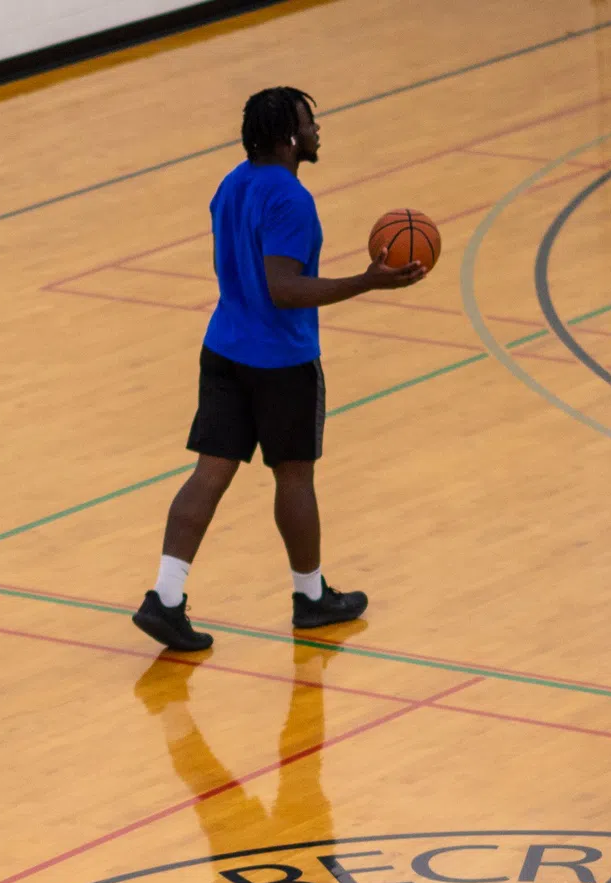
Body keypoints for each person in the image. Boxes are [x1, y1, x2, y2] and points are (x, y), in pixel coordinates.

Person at [130, 86, 425, 656]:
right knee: (294, 477)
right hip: (281, 363)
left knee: (209, 474)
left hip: (224, 348)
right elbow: (284, 288)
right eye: (309, 122)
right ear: (290, 139)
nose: (317, 130)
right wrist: (367, 281)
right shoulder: (289, 199)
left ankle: (165, 599)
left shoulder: (232, 183)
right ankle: (310, 599)